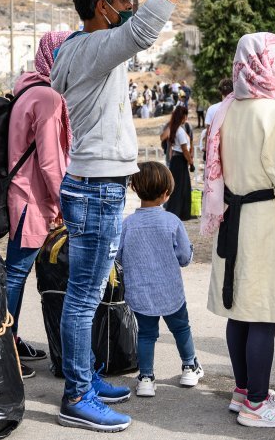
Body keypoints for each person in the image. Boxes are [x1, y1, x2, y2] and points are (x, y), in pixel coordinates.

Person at [49, 0, 206, 432]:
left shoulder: (85, 47)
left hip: (96, 186)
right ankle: (77, 396)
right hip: (94, 190)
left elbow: (134, 31)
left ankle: (86, 379)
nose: (130, 5)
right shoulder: (93, 48)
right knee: (83, 299)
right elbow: (142, 30)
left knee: (86, 295)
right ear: (102, 9)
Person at [201, 32, 275, 429]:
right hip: (266, 222)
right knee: (262, 315)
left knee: (239, 310)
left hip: (234, 219)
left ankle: (243, 391)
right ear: (274, 67)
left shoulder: (226, 109)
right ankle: (257, 402)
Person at [5, 31, 74, 379]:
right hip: (34, 200)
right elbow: (50, 161)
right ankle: (2, 349)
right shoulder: (47, 97)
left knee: (16, 273)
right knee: (15, 275)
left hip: (25, 196)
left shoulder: (29, 90)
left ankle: (9, 340)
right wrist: (66, 199)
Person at [116, 161, 203, 398]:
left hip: (140, 292)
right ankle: (189, 366)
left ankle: (145, 377)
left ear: (134, 189)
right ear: (166, 194)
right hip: (170, 291)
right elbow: (184, 257)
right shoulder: (172, 222)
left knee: (146, 334)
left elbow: (119, 257)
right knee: (181, 328)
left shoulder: (127, 225)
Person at [162, 106, 194, 220]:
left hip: (177, 161)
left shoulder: (176, 129)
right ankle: (178, 212)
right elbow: (184, 150)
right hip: (180, 160)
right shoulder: (180, 131)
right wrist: (191, 163)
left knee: (181, 187)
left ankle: (179, 212)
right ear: (183, 117)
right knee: (181, 188)